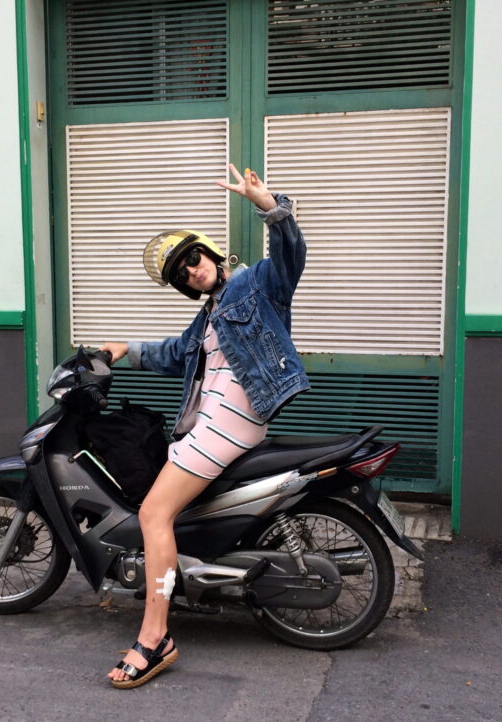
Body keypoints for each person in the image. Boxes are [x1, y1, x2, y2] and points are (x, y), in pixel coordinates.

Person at [100, 163, 309, 689]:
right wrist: (123, 349)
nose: (192, 272)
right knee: (162, 504)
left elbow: (291, 258)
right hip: (209, 426)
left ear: (212, 253)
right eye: (181, 274)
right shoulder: (210, 313)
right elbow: (175, 354)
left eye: (193, 259)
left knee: (153, 514)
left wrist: (268, 206)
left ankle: (155, 638)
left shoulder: (255, 285)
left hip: (232, 424)